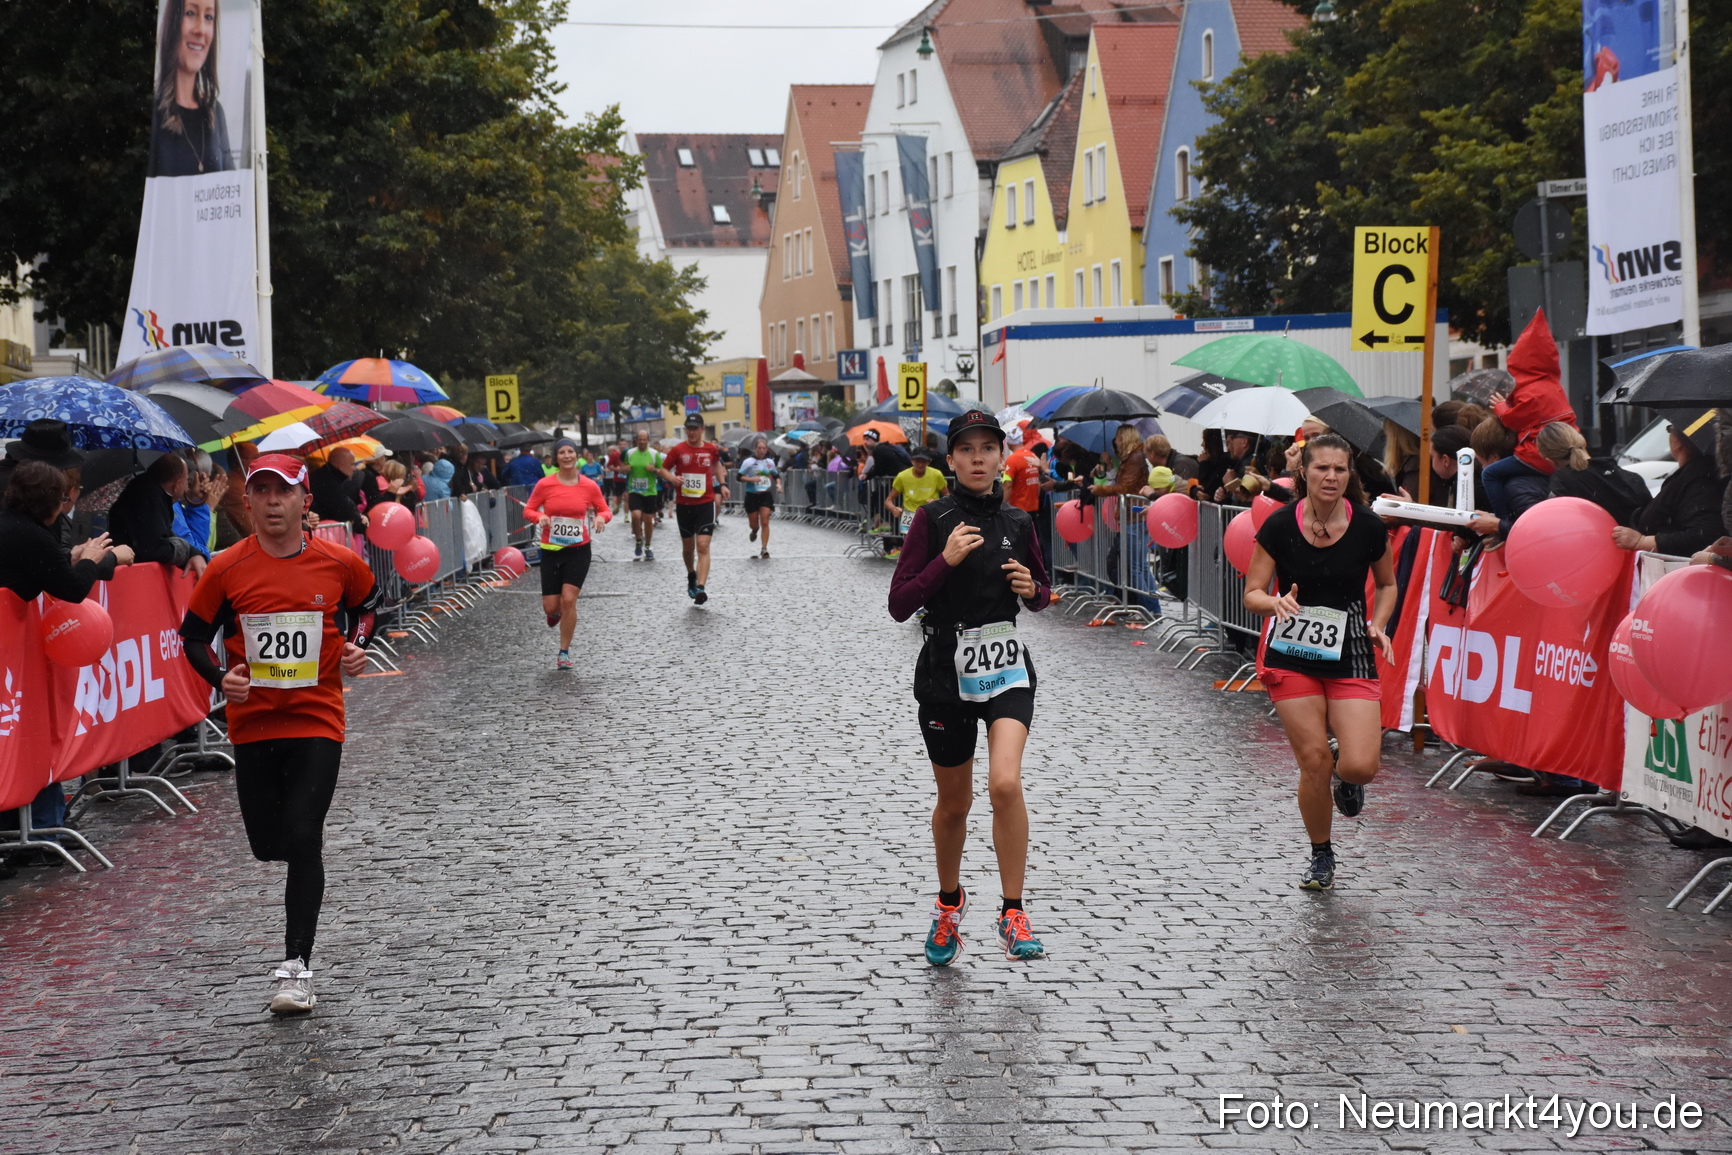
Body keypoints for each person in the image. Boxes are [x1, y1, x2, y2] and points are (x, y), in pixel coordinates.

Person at [178, 454, 379, 1016]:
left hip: (317, 719)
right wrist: (220, 678)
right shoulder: (227, 568)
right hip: (253, 724)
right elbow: (192, 637)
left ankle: (296, 970)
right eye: (261, 491)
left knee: (304, 834)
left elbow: (367, 607)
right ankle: (296, 874)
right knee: (269, 845)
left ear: (304, 501)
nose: (272, 502)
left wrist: (358, 646)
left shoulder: (337, 562)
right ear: (247, 502)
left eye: (283, 492)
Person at [888, 410, 1053, 966]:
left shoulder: (1018, 521)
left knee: (1005, 784)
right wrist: (945, 560)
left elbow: (1041, 591)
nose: (978, 458)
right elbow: (899, 603)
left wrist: (1033, 590)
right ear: (951, 460)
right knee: (954, 803)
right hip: (945, 673)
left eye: (988, 448)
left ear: (1002, 456)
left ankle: (1013, 911)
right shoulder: (932, 519)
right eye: (967, 449)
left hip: (1006, 670)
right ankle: (949, 904)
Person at [1243, 433, 1397, 892]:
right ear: (1303, 472)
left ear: (1350, 475)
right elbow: (1252, 593)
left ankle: (1344, 770)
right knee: (1313, 761)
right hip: (1291, 652)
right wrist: (1274, 603)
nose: (1331, 476)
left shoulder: (1368, 525)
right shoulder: (1279, 524)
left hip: (1350, 650)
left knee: (1361, 766)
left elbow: (1387, 584)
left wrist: (1379, 624)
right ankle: (1321, 855)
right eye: (1321, 468)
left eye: (1340, 469)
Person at [522, 438, 610, 670]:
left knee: (569, 599)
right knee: (551, 607)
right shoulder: (545, 485)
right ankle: (554, 614)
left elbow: (604, 509)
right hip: (551, 550)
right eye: (562, 452)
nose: (567, 455)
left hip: (579, 550)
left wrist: (601, 518)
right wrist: (539, 516)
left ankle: (564, 652)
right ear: (556, 457)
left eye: (571, 451)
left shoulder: (589, 486)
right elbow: (528, 510)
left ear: (576, 455)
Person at [0, 460, 133, 600]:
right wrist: (90, 559)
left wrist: (71, 558)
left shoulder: (11, 522)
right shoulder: (32, 535)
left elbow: (44, 568)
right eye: (62, 499)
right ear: (50, 502)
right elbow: (74, 590)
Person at [1612, 415, 1727, 558]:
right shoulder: (1702, 472)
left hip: (1682, 569)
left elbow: (1703, 535)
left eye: (1670, 429)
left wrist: (1642, 542)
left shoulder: (1701, 477)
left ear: (1677, 442)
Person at [147, 0, 232, 178]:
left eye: (208, 17)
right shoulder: (153, 112)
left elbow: (231, 182)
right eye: (190, 13)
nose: (200, 30)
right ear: (173, 22)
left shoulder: (216, 113)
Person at [657, 415, 730, 604]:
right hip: (684, 505)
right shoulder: (678, 450)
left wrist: (722, 484)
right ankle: (691, 574)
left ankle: (700, 587)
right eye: (689, 428)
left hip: (706, 503)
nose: (691, 432)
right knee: (688, 548)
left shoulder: (711, 449)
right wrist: (672, 478)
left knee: (703, 546)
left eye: (695, 428)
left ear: (702, 429)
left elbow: (716, 464)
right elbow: (663, 469)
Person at [107, 451, 204, 575]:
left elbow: (165, 535)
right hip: (130, 575)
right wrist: (185, 550)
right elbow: (155, 548)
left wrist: (193, 553)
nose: (187, 488)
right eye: (187, 481)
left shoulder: (152, 493)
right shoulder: (147, 497)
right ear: (177, 485)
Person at [1540, 422, 1649, 526]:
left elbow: (1555, 524)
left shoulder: (1561, 483)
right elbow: (1651, 522)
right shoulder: (1632, 479)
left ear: (1550, 461)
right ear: (1583, 442)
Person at [885, 447, 949, 541]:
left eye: (923, 461)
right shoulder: (902, 476)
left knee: (930, 544)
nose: (920, 464)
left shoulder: (936, 475)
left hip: (930, 515)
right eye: (917, 461)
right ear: (912, 461)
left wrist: (937, 502)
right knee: (911, 546)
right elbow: (888, 500)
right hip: (909, 516)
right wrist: (893, 509)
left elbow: (947, 496)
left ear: (928, 462)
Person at [737, 436, 781, 559]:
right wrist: (751, 479)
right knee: (754, 524)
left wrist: (778, 484)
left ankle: (764, 549)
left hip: (765, 494)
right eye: (759, 448)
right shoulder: (748, 462)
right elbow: (739, 477)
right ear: (755, 449)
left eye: (764, 448)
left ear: (767, 449)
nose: (761, 451)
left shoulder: (770, 463)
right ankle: (754, 530)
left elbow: (776, 476)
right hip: (751, 495)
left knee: (765, 521)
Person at [624, 431, 664, 561]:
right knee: (635, 516)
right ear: (636, 440)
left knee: (648, 520)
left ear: (648, 440)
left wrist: (654, 470)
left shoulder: (654, 454)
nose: (642, 442)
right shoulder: (630, 453)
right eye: (639, 439)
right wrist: (625, 469)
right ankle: (638, 539)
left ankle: (648, 546)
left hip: (650, 491)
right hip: (634, 490)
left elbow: (662, 471)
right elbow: (623, 468)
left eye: (644, 439)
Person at [309, 448, 367, 533]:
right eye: (352, 464)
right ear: (341, 466)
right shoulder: (327, 482)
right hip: (326, 533)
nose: (354, 468)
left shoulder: (327, 478)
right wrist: (360, 521)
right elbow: (345, 512)